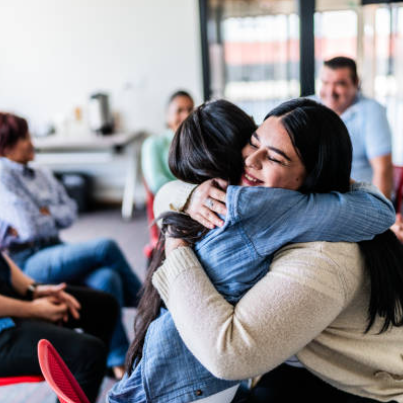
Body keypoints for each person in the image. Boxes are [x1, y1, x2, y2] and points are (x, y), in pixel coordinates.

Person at [108, 99, 396, 403]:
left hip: (362, 389)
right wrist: (190, 196)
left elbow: (228, 357)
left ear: (312, 178)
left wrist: (176, 242)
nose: (251, 161)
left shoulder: (318, 254)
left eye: (274, 158)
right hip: (299, 361)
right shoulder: (269, 210)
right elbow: (165, 195)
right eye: (254, 142)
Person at [0, 112, 143, 379]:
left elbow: (71, 211)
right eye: (23, 138)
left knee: (107, 278)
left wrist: (44, 213)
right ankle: (151, 303)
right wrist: (46, 214)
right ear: (5, 145)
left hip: (54, 248)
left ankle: (118, 362)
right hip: (27, 261)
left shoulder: (40, 172)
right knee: (105, 247)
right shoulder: (2, 175)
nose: (31, 142)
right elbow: (29, 228)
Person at [0, 251, 118, 403]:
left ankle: (89, 381)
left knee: (104, 307)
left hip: (12, 302)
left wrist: (34, 291)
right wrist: (34, 309)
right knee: (89, 354)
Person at [317, 56, 393, 198]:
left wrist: (380, 214)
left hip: (359, 200)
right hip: (319, 199)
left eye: (340, 84)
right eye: (325, 83)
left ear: (356, 83)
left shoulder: (372, 111)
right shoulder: (308, 106)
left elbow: (383, 169)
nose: (330, 91)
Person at [141, 90, 194, 194]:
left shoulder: (197, 143)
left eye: (190, 110)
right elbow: (157, 184)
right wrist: (194, 192)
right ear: (167, 115)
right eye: (179, 111)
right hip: (170, 201)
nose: (186, 116)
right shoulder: (153, 144)